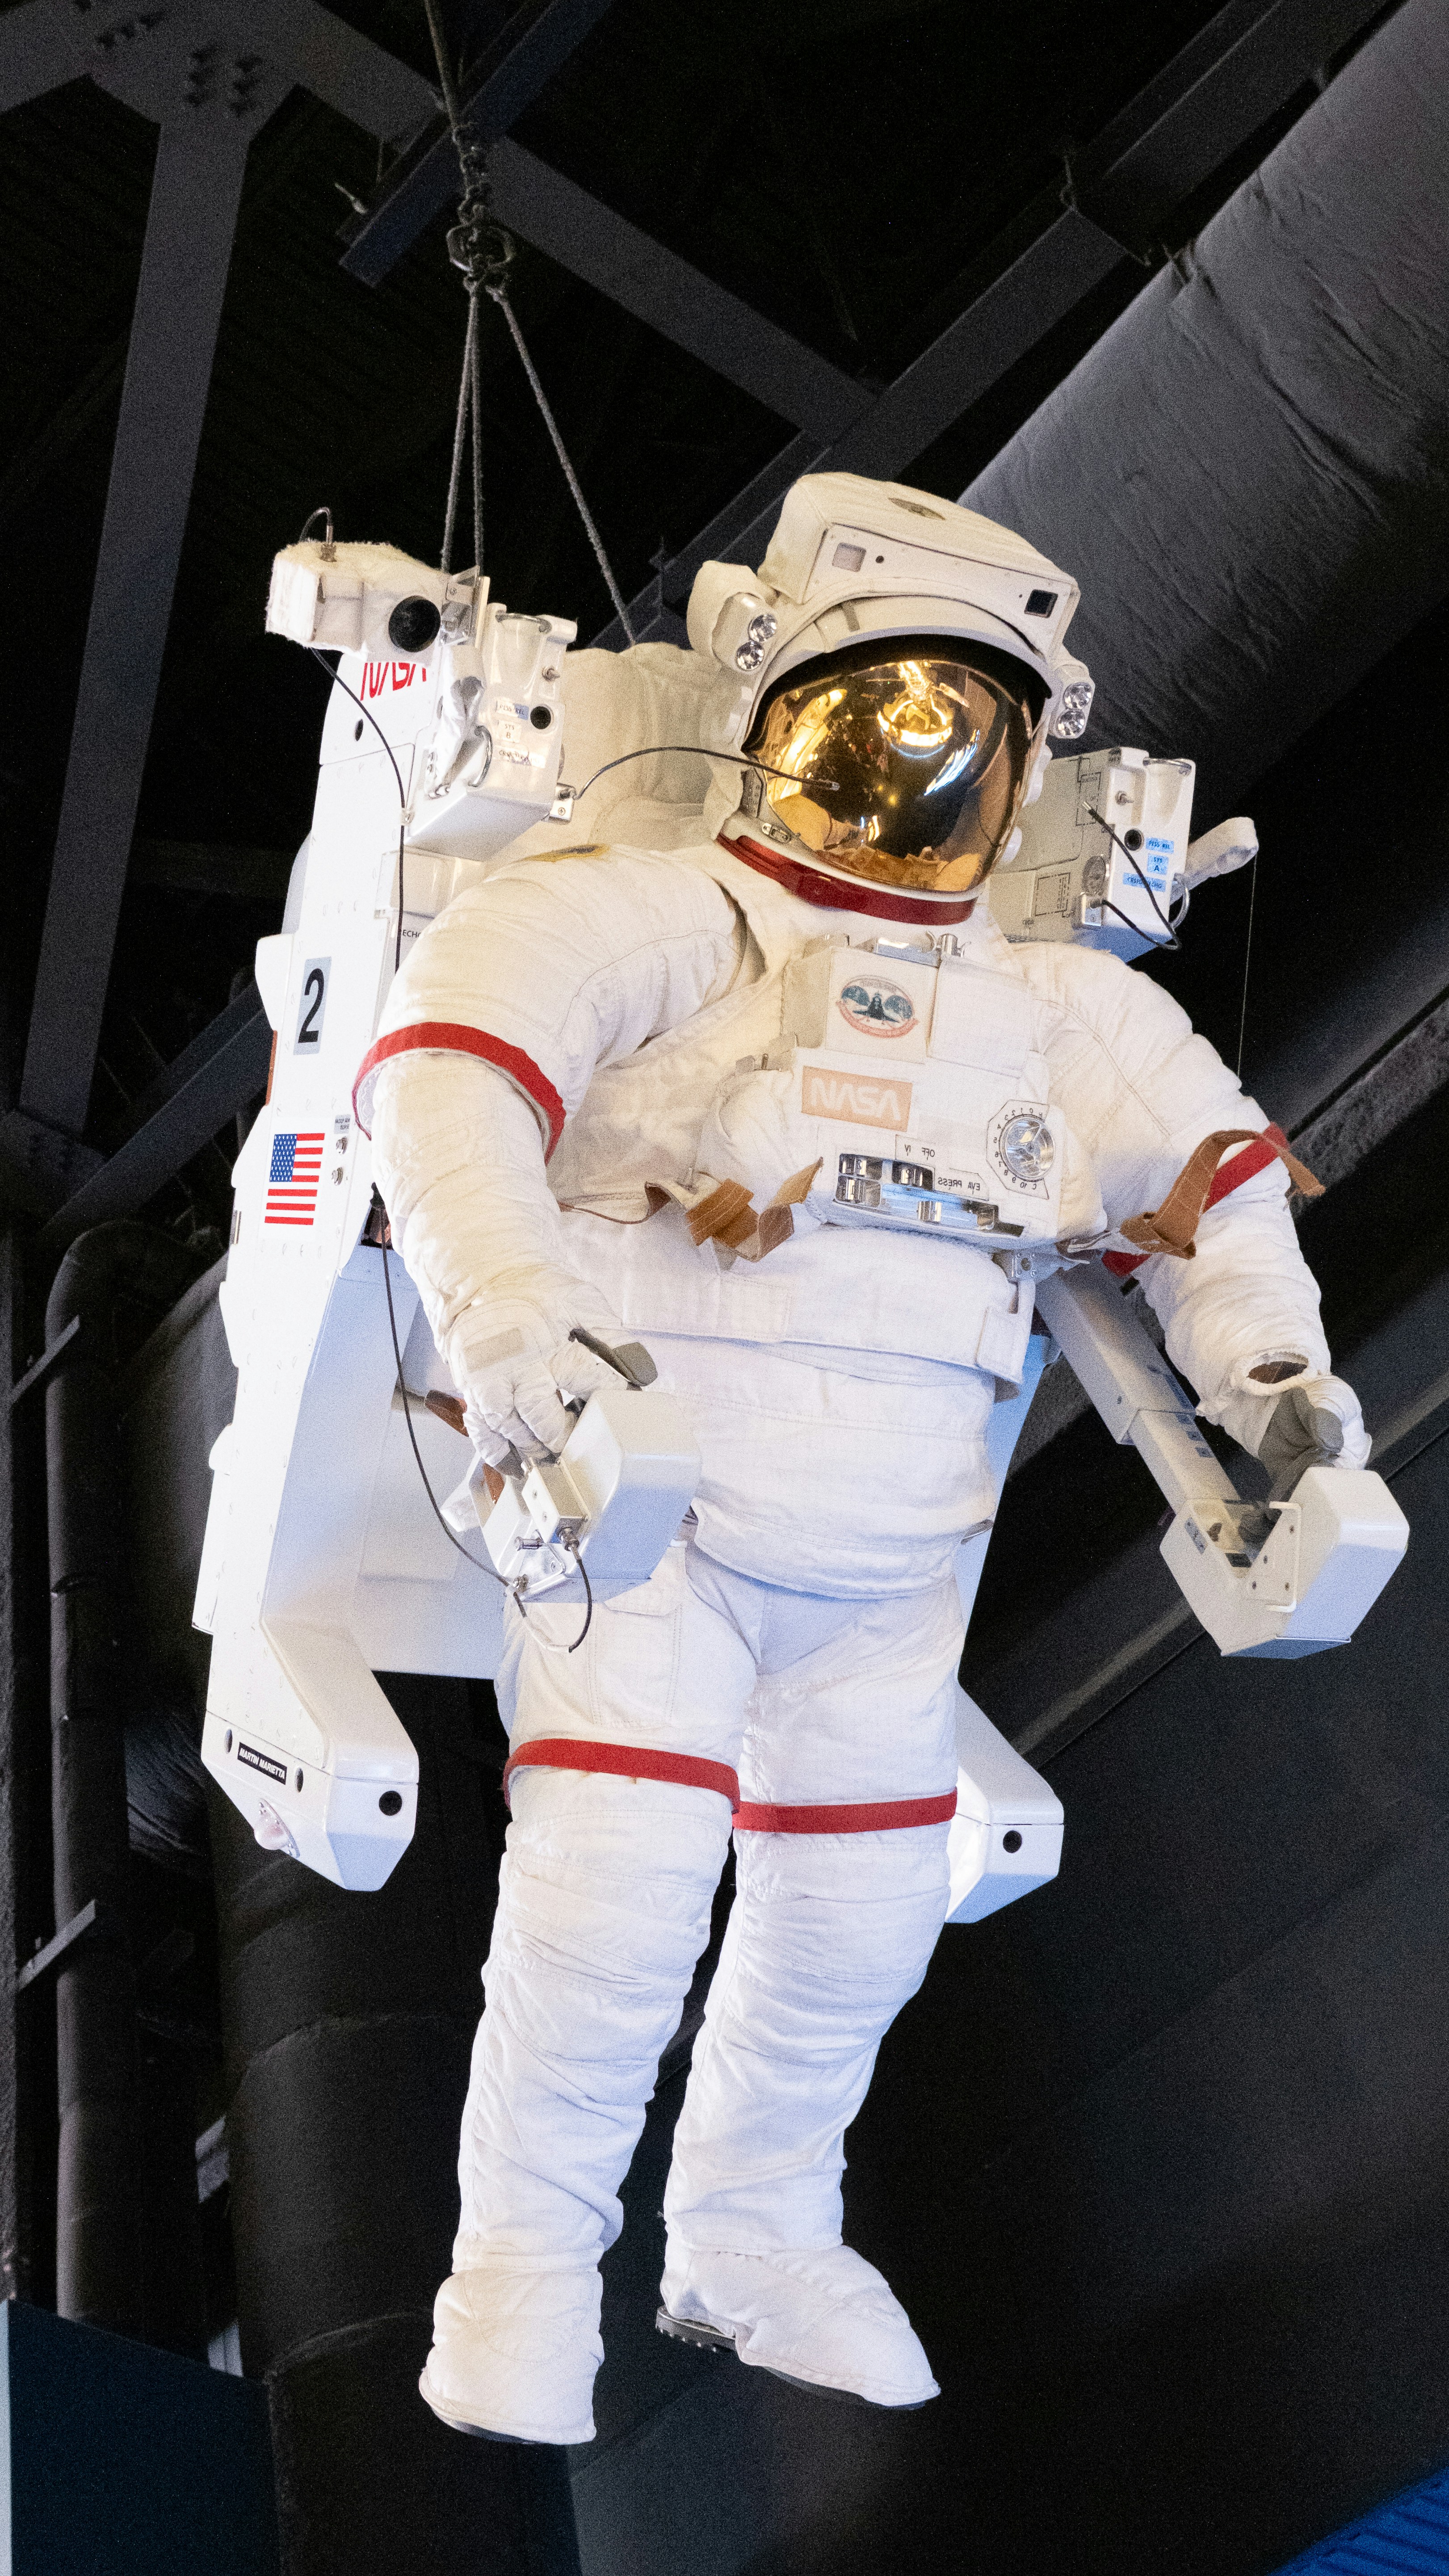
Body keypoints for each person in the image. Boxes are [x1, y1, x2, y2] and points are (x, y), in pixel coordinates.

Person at [356, 472, 1368, 2444]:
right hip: (658, 1503)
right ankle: (521, 2281)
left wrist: (1274, 1378)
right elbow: (446, 1074)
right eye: (878, 713)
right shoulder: (651, 911)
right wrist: (512, 1325)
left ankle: (755, 2237)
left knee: (858, 1918)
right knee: (612, 1904)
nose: (917, 764)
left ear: (1020, 772)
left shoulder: (1060, 1007)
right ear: (775, 716)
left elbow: (1222, 1196)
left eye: (966, 732)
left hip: (898, 1552)